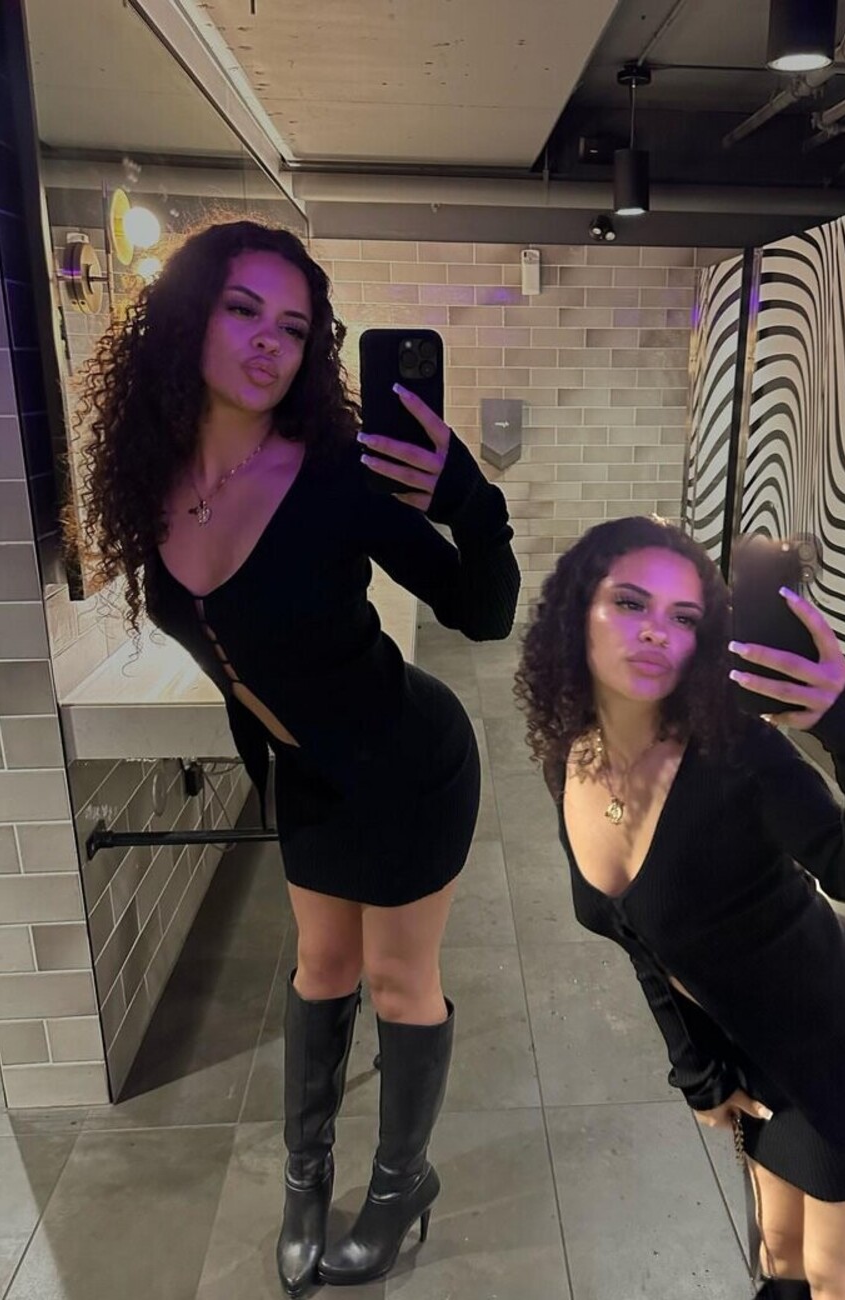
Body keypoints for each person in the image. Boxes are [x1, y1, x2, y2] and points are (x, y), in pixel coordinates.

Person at [76, 219, 520, 1295]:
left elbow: (484, 611)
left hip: (410, 766)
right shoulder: (149, 476)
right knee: (321, 970)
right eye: (243, 311)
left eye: (294, 325)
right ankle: (304, 1181)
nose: (270, 341)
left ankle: (401, 1183)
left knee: (400, 981)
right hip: (310, 776)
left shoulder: (333, 475)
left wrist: (469, 497)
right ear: (188, 318)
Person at [514, 516, 845, 1300]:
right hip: (754, 1050)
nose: (656, 632)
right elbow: (636, 936)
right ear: (576, 612)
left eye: (684, 617)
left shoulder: (737, 753)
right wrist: (696, 1065)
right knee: (779, 1254)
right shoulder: (573, 754)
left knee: (841, 1276)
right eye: (629, 603)